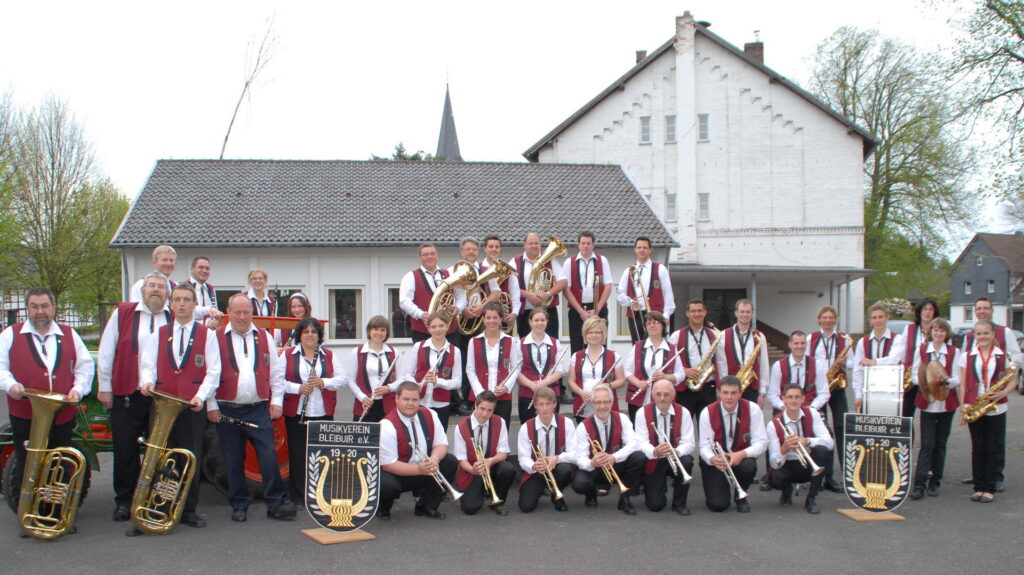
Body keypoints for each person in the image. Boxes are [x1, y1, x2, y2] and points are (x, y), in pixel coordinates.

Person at [0, 287, 94, 533]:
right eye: (34, 306)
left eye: (44, 306)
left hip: (61, 413)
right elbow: (1, 367)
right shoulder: (11, 334)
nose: (40, 311)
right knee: (27, 464)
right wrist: (11, 385)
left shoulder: (69, 334)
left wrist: (78, 389)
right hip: (25, 413)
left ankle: (56, 513)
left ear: (53, 308)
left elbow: (85, 367)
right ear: (27, 309)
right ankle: (28, 516)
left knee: (60, 465)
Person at [138, 283, 222, 529]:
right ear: (171, 304)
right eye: (178, 300)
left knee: (190, 458)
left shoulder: (208, 335)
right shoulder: (159, 334)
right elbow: (147, 365)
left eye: (187, 300)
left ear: (195, 305)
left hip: (191, 407)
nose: (182, 304)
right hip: (162, 405)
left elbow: (214, 370)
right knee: (157, 457)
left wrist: (201, 396)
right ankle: (155, 508)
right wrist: (147, 382)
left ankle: (188, 510)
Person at [205, 293, 294, 522]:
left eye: (247, 312)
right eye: (238, 312)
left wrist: (276, 402)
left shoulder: (263, 336)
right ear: (229, 312)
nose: (243, 317)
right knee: (233, 459)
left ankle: (275, 503)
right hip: (226, 408)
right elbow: (210, 373)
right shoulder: (215, 337)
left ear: (252, 314)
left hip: (257, 407)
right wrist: (211, 404)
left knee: (268, 456)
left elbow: (276, 373)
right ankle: (239, 504)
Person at [98, 272, 171, 522]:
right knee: (125, 448)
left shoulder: (173, 317)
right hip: (127, 393)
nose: (156, 290)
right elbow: (107, 350)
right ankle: (124, 500)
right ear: (143, 290)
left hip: (161, 397)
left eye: (161, 287)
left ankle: (156, 500)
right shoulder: (123, 313)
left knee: (161, 450)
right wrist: (105, 386)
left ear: (167, 293)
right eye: (152, 286)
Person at [959, 297, 1023, 491]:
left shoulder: (1006, 332)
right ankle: (981, 477)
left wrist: (1003, 384)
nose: (982, 311)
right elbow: (965, 366)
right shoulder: (970, 336)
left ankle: (996, 477)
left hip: (995, 394)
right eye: (979, 308)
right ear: (975, 311)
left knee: (995, 443)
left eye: (986, 308)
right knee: (978, 444)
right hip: (976, 398)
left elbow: (1017, 358)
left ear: (992, 310)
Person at [281, 317, 346, 504]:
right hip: (297, 413)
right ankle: (299, 495)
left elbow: (342, 379)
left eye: (314, 332)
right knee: (298, 455)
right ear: (299, 335)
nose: (310, 335)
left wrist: (323, 382)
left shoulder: (329, 355)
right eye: (306, 331)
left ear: (319, 336)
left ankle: (321, 494)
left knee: (323, 454)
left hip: (323, 412)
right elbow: (277, 382)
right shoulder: (287, 355)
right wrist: (298, 388)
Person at [379, 381, 459, 520]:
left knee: (449, 461)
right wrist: (419, 470)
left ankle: (427, 506)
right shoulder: (386, 425)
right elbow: (388, 464)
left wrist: (433, 459)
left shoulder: (431, 414)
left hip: (423, 468)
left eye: (414, 399)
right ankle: (383, 508)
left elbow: (442, 444)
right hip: (398, 473)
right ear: (397, 399)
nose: (410, 403)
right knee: (387, 485)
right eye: (406, 399)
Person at [571, 384, 645, 514]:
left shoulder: (622, 418)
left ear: (612, 403)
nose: (602, 406)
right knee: (579, 484)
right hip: (595, 468)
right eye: (598, 402)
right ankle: (591, 494)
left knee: (639, 457)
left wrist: (614, 457)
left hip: (615, 463)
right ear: (592, 404)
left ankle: (625, 499)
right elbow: (579, 458)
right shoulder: (583, 426)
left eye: (606, 402)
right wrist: (591, 463)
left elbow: (634, 443)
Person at [698, 375, 767, 513]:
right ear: (719, 393)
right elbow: (704, 447)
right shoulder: (707, 412)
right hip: (718, 461)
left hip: (740, 458)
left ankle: (740, 496)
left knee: (749, 465)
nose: (729, 397)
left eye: (734, 393)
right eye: (725, 392)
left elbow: (762, 442)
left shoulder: (753, 409)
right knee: (718, 505)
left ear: (740, 393)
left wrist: (741, 454)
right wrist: (712, 459)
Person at [909, 317, 960, 500]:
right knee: (927, 445)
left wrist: (945, 381)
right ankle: (919, 484)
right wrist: (927, 382)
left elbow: (957, 378)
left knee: (940, 444)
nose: (938, 334)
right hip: (928, 403)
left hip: (947, 404)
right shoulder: (922, 350)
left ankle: (935, 482)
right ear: (930, 332)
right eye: (935, 330)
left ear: (946, 334)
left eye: (942, 331)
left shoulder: (954, 352)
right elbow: (915, 375)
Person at [766, 383, 834, 514]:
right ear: (783, 399)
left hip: (807, 464)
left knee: (822, 451)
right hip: (787, 465)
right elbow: (774, 463)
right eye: (790, 397)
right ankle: (786, 491)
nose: (793, 400)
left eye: (797, 397)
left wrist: (807, 441)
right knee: (777, 477)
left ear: (803, 399)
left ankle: (811, 499)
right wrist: (784, 449)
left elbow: (829, 442)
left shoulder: (813, 414)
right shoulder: (773, 425)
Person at [808, 305, 853, 493]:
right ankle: (826, 476)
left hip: (837, 387)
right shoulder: (811, 338)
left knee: (842, 428)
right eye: (824, 317)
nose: (827, 320)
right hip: (820, 388)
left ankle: (847, 474)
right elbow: (808, 363)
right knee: (823, 431)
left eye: (831, 317)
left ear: (835, 319)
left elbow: (853, 361)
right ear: (819, 319)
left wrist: (844, 363)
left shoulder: (844, 339)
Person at [634, 380, 695, 515]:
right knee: (655, 505)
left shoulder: (683, 412)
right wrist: (654, 451)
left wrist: (677, 451)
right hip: (655, 459)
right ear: (653, 395)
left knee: (687, 462)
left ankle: (679, 503)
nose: (662, 398)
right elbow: (640, 442)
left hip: (675, 457)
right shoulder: (642, 413)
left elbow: (689, 442)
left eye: (666, 394)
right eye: (658, 394)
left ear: (673, 395)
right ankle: (658, 488)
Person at [452, 391, 515, 516]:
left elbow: (503, 453)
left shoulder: (500, 422)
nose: (485, 414)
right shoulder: (461, 426)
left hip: (491, 466)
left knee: (508, 468)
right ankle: (481, 491)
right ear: (475, 405)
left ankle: (498, 502)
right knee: (470, 508)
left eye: (490, 410)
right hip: (472, 471)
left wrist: (490, 461)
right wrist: (473, 469)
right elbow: (461, 459)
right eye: (482, 409)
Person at [397, 311, 463, 429]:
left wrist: (437, 382)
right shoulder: (418, 346)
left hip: (441, 404)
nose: (438, 329)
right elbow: (408, 373)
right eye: (434, 326)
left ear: (447, 327)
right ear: (428, 329)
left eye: (441, 326)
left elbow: (457, 382)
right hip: (419, 402)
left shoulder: (455, 351)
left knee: (439, 439)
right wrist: (414, 384)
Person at [517, 387, 576, 513]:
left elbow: (574, 453)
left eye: (548, 404)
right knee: (526, 507)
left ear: (554, 404)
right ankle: (541, 488)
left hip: (557, 468)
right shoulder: (525, 427)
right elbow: (523, 458)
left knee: (565, 469)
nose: (544, 408)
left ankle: (556, 495)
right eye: (541, 404)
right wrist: (534, 466)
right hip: (537, 471)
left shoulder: (567, 423)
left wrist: (557, 458)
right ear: (535, 406)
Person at [466, 303, 523, 429]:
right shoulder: (473, 341)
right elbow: (470, 369)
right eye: (488, 317)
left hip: (503, 397)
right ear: (483, 319)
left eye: (495, 317)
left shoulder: (511, 341)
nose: (491, 321)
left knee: (501, 432)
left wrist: (506, 387)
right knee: (479, 432)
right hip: (480, 397)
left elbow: (516, 367)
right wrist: (481, 392)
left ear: (501, 319)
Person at [399, 243, 466, 343]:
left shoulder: (450, 274)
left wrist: (458, 308)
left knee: (450, 358)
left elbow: (461, 296)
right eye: (425, 254)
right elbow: (404, 301)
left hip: (450, 332)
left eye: (432, 253)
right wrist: (420, 314)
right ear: (419, 258)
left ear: (437, 256)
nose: (429, 257)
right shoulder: (410, 276)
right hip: (422, 332)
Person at [624, 311, 682, 422]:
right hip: (638, 399)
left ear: (663, 325)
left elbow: (681, 374)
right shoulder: (637, 347)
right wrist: (638, 383)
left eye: (656, 322)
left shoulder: (671, 348)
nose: (652, 325)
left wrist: (665, 376)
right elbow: (627, 372)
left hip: (663, 399)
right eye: (648, 323)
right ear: (645, 327)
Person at [562, 231, 614, 353]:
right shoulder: (569, 262)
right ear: (578, 245)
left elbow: (608, 286)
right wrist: (581, 311)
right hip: (577, 310)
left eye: (588, 243)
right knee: (577, 344)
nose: (586, 246)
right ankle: (578, 371)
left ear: (593, 245)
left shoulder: (603, 261)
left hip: (598, 309)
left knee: (600, 343)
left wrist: (597, 309)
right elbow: (566, 289)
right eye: (583, 243)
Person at [616, 236, 674, 343]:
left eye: (644, 247)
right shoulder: (628, 271)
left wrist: (666, 315)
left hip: (656, 315)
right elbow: (619, 295)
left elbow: (668, 295)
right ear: (635, 250)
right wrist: (630, 302)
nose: (641, 250)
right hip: (636, 315)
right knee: (638, 346)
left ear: (650, 250)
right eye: (639, 247)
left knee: (657, 344)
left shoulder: (660, 269)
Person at [669, 299, 719, 420]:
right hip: (686, 388)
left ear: (705, 312)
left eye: (700, 311)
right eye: (693, 311)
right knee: (682, 425)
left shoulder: (715, 335)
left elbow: (721, 362)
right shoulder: (676, 336)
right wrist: (684, 371)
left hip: (708, 387)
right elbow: (669, 363)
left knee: (709, 425)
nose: (697, 314)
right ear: (687, 313)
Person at [568, 317, 625, 420]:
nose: (594, 335)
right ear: (585, 335)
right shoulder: (576, 356)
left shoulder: (614, 356)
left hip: (606, 406)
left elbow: (621, 380)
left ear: (603, 335)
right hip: (584, 406)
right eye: (590, 332)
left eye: (598, 332)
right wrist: (581, 392)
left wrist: (608, 385)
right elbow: (571, 381)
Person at [852, 303, 905, 413]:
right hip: (869, 391)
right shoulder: (863, 342)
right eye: (874, 318)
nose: (878, 320)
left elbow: (894, 360)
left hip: (891, 391)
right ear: (870, 321)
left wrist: (873, 362)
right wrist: (858, 395)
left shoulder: (898, 339)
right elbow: (857, 371)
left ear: (887, 318)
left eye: (881, 317)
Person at [345, 315, 400, 423]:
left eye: (382, 330)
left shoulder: (394, 352)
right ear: (369, 330)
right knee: (364, 437)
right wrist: (362, 397)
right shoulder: (357, 352)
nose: (379, 333)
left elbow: (403, 378)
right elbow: (350, 379)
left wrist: (389, 387)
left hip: (388, 404)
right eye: (375, 329)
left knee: (387, 437)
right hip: (365, 404)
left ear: (387, 333)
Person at [512, 232, 566, 338]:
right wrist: (527, 295)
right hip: (525, 313)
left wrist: (548, 294)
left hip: (548, 311)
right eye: (530, 243)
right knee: (525, 346)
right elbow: (510, 286)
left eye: (536, 243)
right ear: (524, 245)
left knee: (551, 344)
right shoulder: (515, 261)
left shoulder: (550, 260)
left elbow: (563, 281)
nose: (534, 246)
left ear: (540, 244)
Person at [516, 308, 566, 423]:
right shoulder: (520, 343)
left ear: (547, 321)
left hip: (551, 394)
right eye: (536, 320)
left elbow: (560, 370)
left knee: (551, 429)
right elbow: (516, 371)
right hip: (527, 394)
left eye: (542, 320)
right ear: (530, 321)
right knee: (528, 429)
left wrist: (545, 382)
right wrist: (532, 385)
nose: (539, 323)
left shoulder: (555, 343)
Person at [715, 299, 769, 405]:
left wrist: (762, 393)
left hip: (752, 388)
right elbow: (721, 365)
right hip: (730, 387)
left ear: (752, 314)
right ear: (736, 313)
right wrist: (721, 390)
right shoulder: (723, 335)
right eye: (742, 311)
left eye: (748, 312)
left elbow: (764, 365)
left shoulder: (759, 336)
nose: (745, 314)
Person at [766, 331, 830, 413]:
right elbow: (772, 394)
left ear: (806, 345)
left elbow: (824, 393)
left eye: (802, 343)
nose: (799, 346)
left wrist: (813, 407)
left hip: (809, 410)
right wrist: (782, 407)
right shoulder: (778, 366)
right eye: (796, 343)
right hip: (784, 411)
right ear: (790, 344)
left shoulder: (817, 365)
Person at [899, 298, 939, 418]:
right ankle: (908, 437)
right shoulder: (909, 329)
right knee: (906, 415)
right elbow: (902, 352)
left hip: (931, 378)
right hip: (911, 378)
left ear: (934, 312)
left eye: (930, 309)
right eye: (924, 309)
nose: (927, 312)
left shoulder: (939, 330)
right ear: (919, 312)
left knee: (928, 415)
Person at [481, 235, 521, 333]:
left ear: (500, 249)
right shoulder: (478, 269)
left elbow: (515, 294)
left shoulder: (508, 269)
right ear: (485, 248)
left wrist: (514, 313)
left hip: (504, 319)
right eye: (491, 247)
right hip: (482, 318)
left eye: (497, 247)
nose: (494, 249)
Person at [186, 256, 223, 326]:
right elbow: (187, 312)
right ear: (192, 269)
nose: (204, 271)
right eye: (201, 267)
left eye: (207, 268)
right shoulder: (184, 287)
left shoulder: (211, 289)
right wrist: (205, 322)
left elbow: (214, 309)